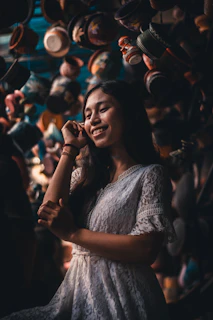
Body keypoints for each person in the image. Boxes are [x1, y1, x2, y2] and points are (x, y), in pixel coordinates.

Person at [2, 80, 176, 319]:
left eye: (103, 109)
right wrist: (69, 149)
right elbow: (47, 211)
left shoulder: (149, 174)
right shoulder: (84, 177)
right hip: (80, 292)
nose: (92, 119)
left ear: (128, 113)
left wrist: (74, 234)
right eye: (87, 114)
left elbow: (146, 248)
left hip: (125, 298)